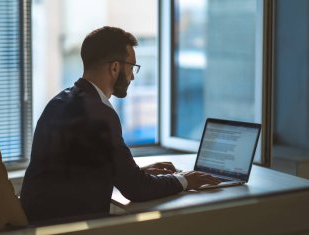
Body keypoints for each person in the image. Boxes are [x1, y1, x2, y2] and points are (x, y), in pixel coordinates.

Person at [20, 26, 219, 224]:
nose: (132, 76)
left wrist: (134, 172)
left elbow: (78, 172)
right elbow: (137, 190)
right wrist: (185, 180)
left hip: (39, 221)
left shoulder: (60, 101)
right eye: (132, 67)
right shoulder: (99, 114)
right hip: (69, 226)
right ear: (115, 67)